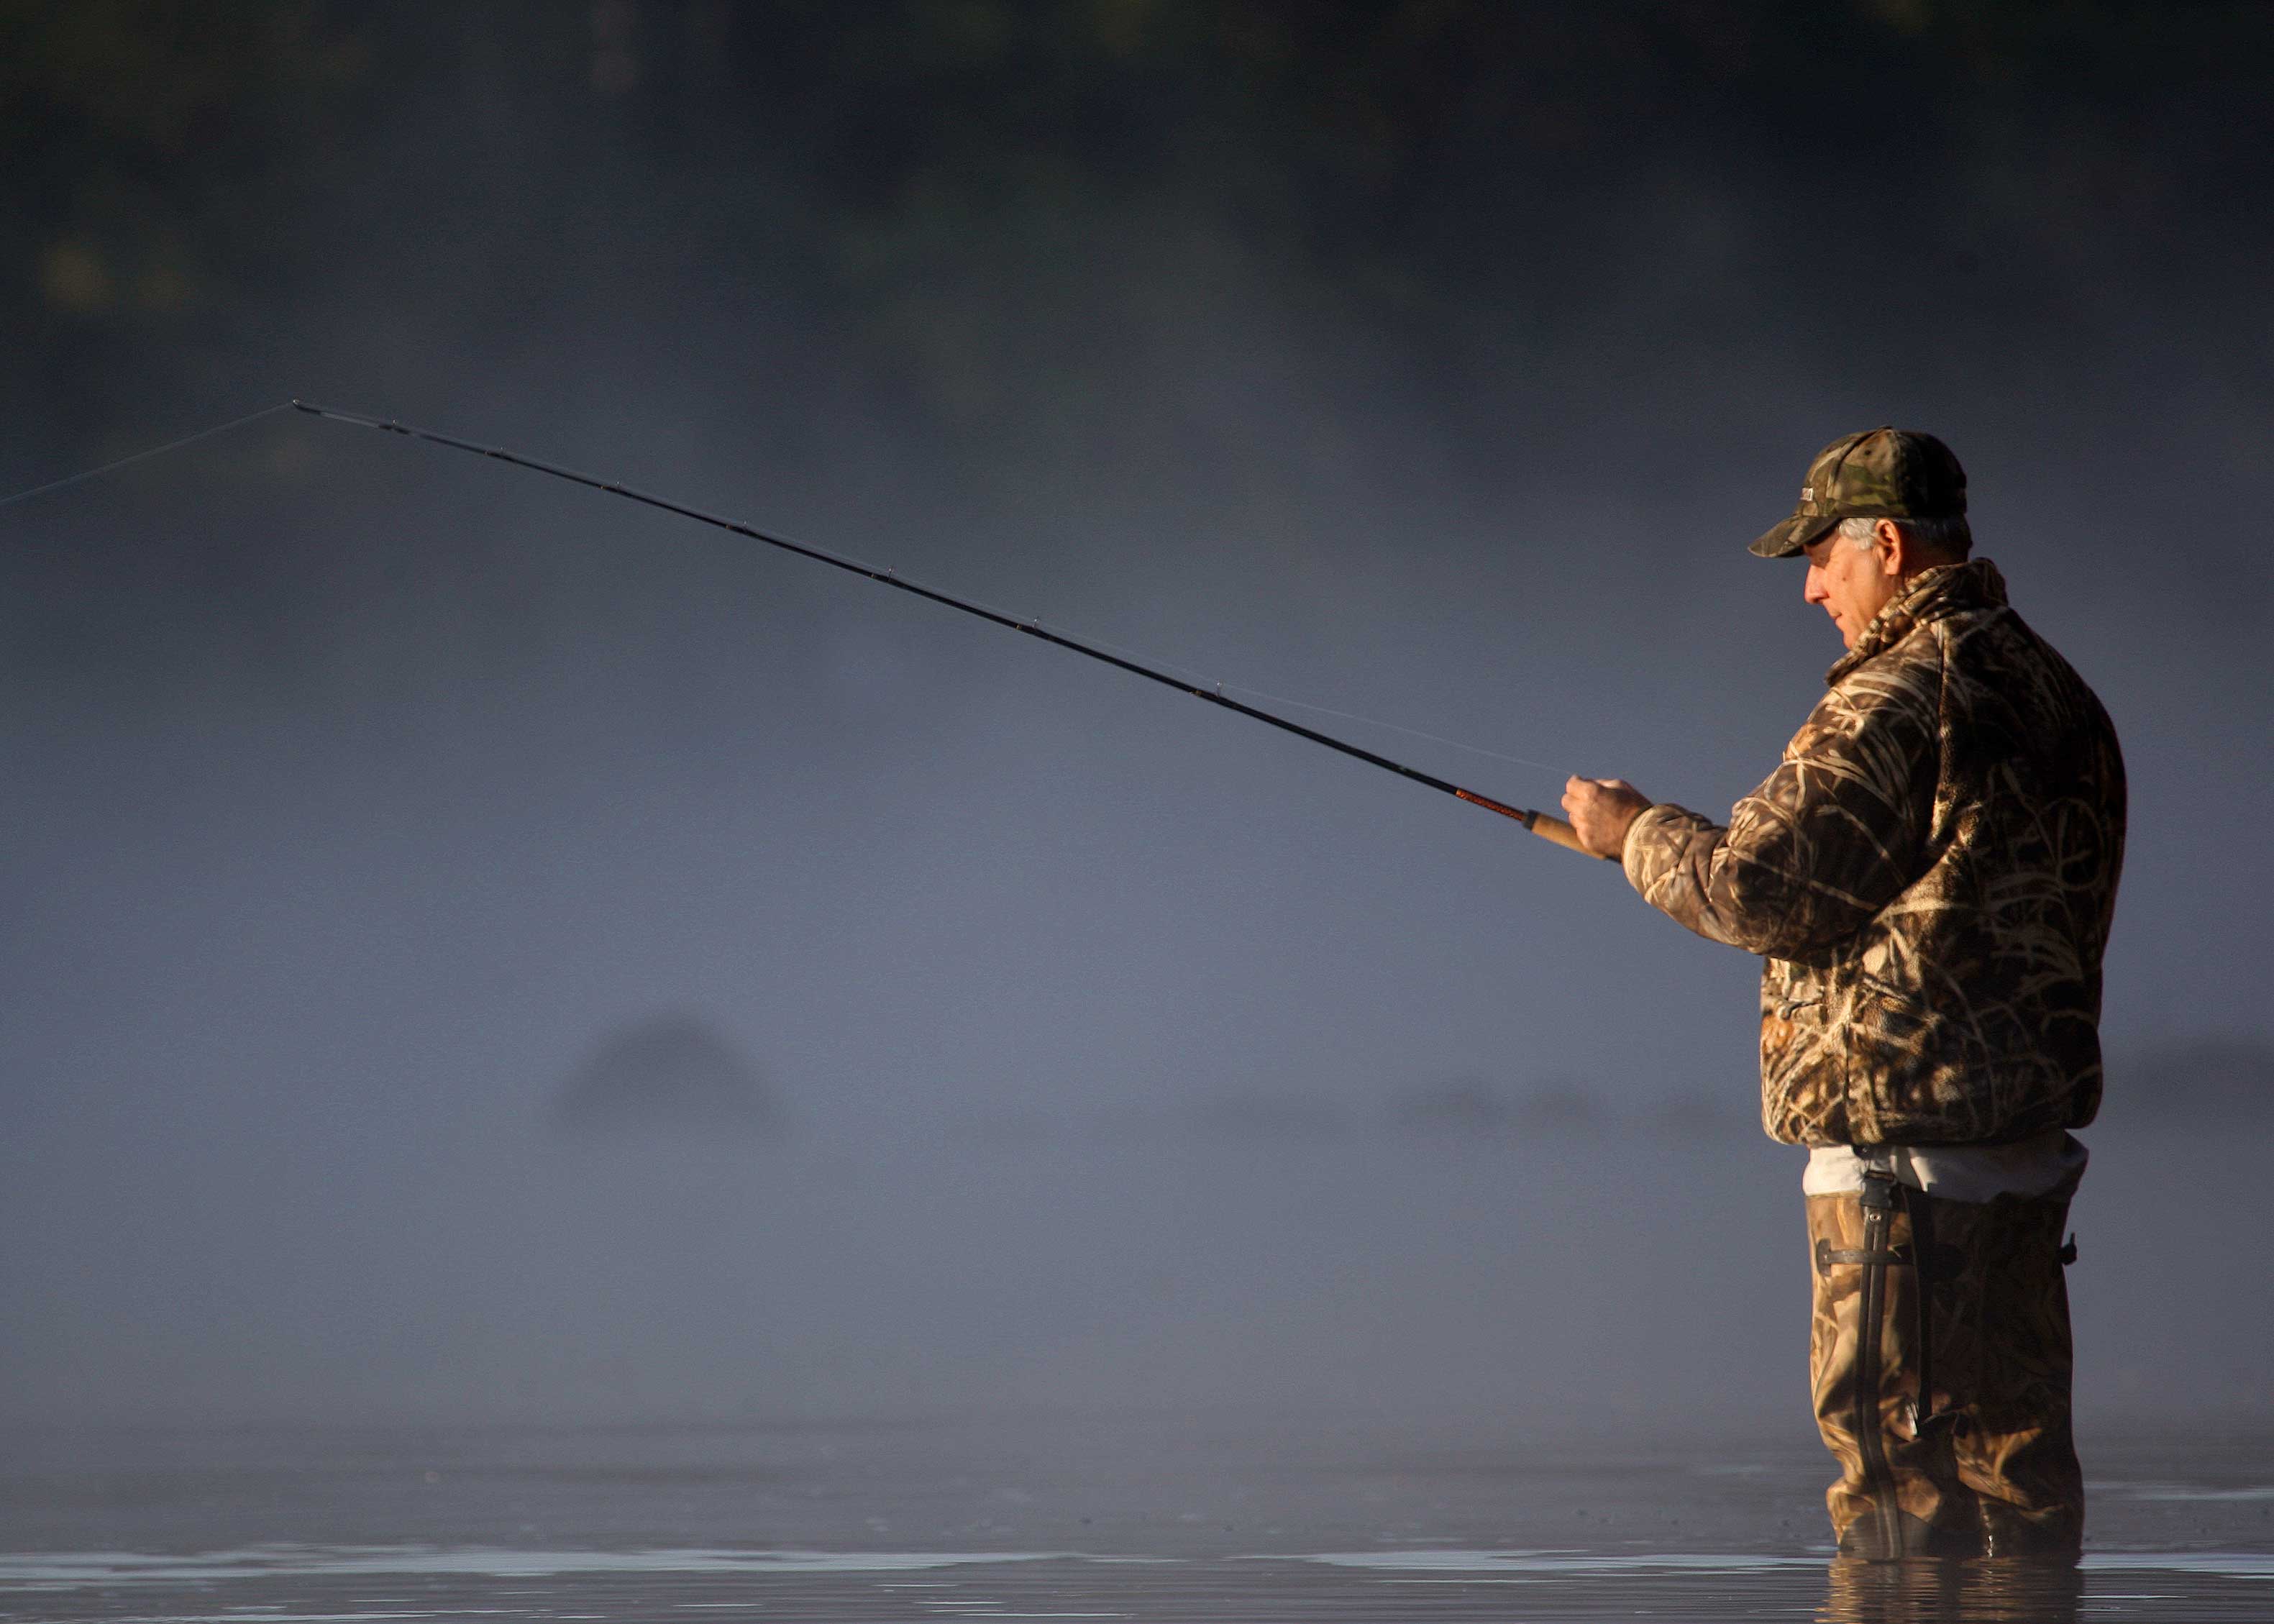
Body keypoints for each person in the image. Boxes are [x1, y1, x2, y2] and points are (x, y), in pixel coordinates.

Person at [1559, 427, 2126, 1559]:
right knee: (2021, 1496)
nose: (1813, 586)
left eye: (1823, 555)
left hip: (1897, 1174)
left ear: (1891, 544)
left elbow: (1758, 888)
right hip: (2020, 1162)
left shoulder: (1897, 692)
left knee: (1894, 1497)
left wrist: (1635, 834)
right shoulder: (2057, 691)